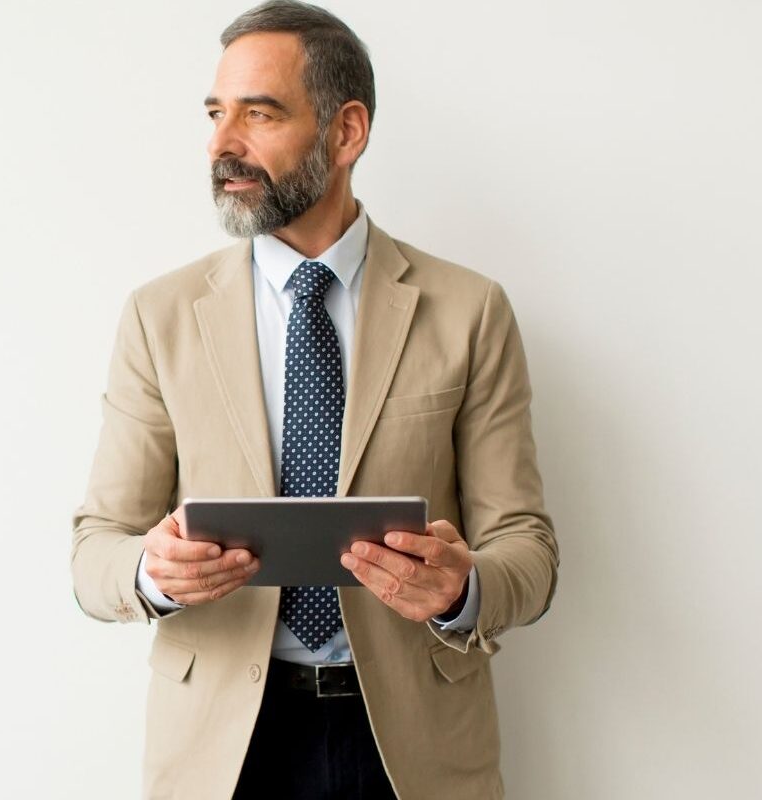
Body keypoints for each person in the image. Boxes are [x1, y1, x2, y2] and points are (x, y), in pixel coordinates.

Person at [69, 2, 559, 798]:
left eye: (259, 114)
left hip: (412, 747)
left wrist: (463, 589)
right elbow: (95, 549)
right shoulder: (159, 316)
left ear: (346, 132)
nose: (222, 144)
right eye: (216, 114)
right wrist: (153, 573)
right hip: (221, 752)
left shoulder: (469, 310)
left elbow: (527, 547)